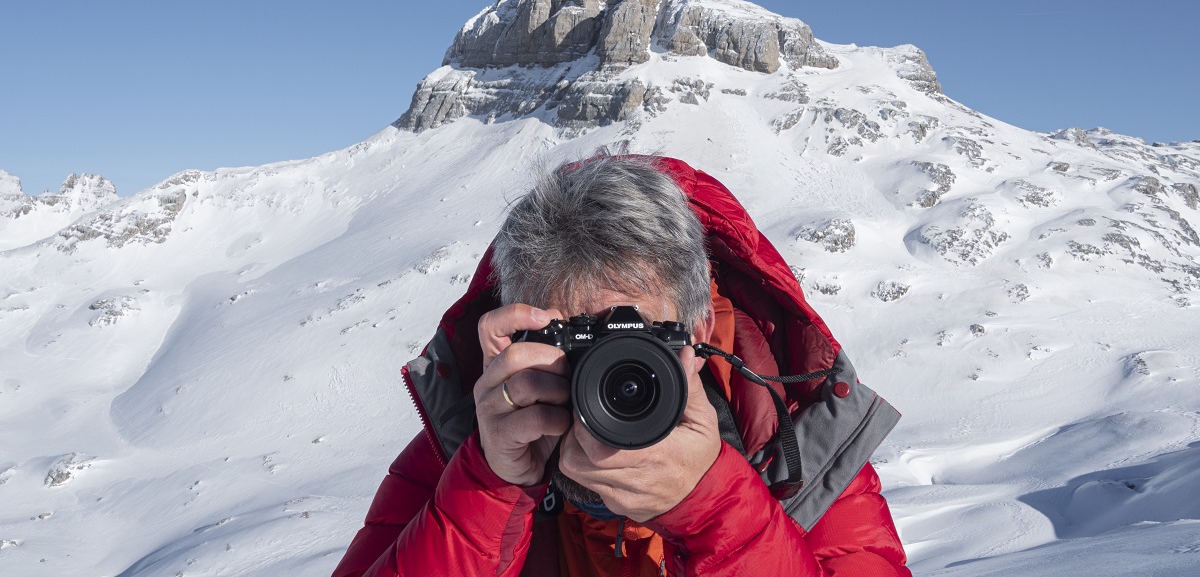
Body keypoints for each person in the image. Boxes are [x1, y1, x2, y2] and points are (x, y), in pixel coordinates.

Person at [333, 154, 911, 576]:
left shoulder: (805, 457)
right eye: (571, 339)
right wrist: (488, 487)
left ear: (699, 329)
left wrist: (714, 507)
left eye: (635, 339)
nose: (602, 372)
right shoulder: (451, 458)